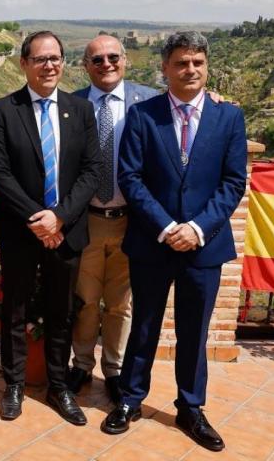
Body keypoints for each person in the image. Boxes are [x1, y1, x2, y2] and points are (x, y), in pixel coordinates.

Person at [103, 32, 246, 453]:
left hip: (205, 247)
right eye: (181, 63)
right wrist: (166, 228)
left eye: (198, 62)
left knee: (193, 331)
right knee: (144, 325)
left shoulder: (229, 118)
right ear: (165, 68)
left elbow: (233, 180)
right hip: (152, 243)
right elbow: (130, 177)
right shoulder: (143, 115)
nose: (191, 70)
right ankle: (130, 400)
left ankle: (191, 406)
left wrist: (198, 228)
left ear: (206, 66)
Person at [0, 30, 101, 425]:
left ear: (63, 63)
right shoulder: (3, 109)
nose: (49, 65)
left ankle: (58, 386)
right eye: (40, 59)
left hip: (66, 230)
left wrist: (60, 217)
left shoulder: (81, 111)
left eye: (55, 58)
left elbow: (91, 171)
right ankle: (14, 383)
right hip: (20, 230)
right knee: (14, 309)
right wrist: (39, 218)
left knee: (60, 310)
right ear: (24, 64)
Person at [68, 35, 158, 404]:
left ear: (125, 60)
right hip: (87, 219)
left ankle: (115, 370)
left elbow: (192, 103)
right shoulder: (71, 104)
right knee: (85, 299)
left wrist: (215, 97)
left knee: (121, 303)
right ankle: (81, 365)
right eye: (97, 59)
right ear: (85, 65)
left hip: (130, 221)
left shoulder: (151, 102)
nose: (106, 64)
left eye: (112, 57)